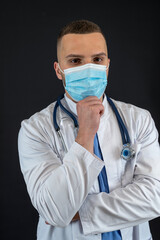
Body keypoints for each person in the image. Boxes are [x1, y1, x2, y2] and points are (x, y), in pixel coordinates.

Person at [18, 19, 160, 240]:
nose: (89, 68)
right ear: (58, 70)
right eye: (75, 61)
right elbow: (54, 211)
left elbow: (154, 198)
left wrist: (80, 213)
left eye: (97, 59)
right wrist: (85, 134)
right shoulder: (35, 130)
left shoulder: (139, 120)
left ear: (107, 66)